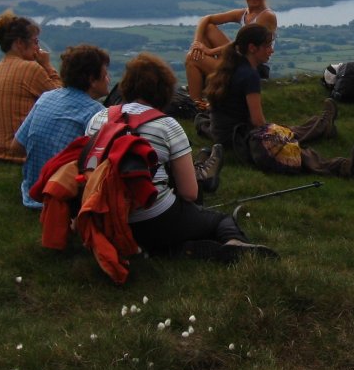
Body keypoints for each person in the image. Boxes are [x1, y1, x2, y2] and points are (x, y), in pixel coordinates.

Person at [86, 52, 274, 261]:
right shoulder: (167, 125)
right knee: (219, 220)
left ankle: (172, 246)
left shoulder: (98, 118)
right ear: (165, 90)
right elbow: (189, 194)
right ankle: (233, 242)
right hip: (153, 219)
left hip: (104, 216)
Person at [202, 24, 354, 179]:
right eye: (267, 46)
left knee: (285, 131)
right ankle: (346, 167)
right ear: (252, 48)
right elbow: (258, 121)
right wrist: (276, 136)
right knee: (291, 149)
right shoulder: (249, 75)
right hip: (239, 140)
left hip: (225, 136)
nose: (271, 51)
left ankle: (323, 125)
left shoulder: (232, 65)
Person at [12, 45, 112, 209]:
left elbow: (16, 146)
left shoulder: (47, 97)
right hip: (62, 197)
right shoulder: (97, 113)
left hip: (31, 192)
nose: (108, 79)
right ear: (92, 80)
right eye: (105, 74)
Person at [185, 0, 277, 109]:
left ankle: (196, 106)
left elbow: (241, 45)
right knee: (208, 28)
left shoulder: (266, 16)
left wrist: (209, 52)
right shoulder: (244, 14)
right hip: (239, 59)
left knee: (192, 58)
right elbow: (206, 19)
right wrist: (197, 43)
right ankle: (206, 94)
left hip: (251, 67)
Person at [0, 10, 61, 163]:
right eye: (35, 41)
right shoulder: (31, 69)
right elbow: (62, 99)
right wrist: (47, 65)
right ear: (19, 43)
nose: (38, 47)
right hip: (21, 153)